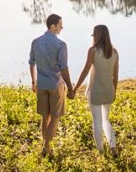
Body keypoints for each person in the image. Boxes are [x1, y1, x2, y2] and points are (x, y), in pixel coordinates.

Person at [28, 13, 74, 157]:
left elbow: (31, 63)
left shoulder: (35, 42)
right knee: (55, 117)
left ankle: (46, 146)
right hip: (55, 85)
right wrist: (70, 87)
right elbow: (64, 68)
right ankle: (47, 148)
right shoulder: (61, 45)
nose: (62, 27)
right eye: (60, 25)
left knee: (45, 117)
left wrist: (34, 81)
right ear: (53, 26)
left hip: (41, 84)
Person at [70, 24, 119, 155]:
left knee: (97, 121)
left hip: (95, 92)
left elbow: (85, 71)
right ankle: (113, 146)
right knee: (106, 120)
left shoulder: (93, 51)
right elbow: (115, 75)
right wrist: (114, 91)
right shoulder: (114, 52)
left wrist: (75, 88)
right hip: (109, 91)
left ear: (96, 36)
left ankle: (101, 151)